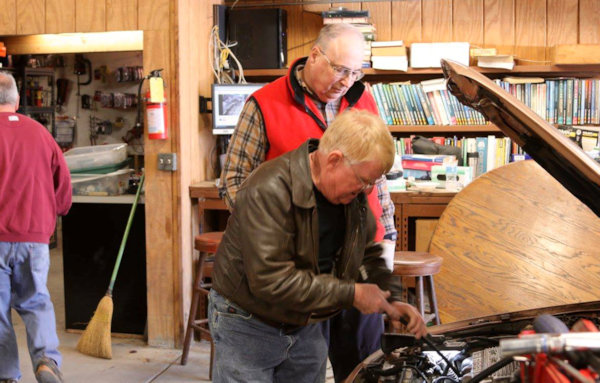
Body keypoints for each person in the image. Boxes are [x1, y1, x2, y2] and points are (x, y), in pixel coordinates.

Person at [219, 23, 398, 381]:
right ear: (315, 55)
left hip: (346, 256)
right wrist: (280, 232)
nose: (347, 80)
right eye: (340, 69)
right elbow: (235, 183)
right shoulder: (265, 104)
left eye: (355, 72)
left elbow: (374, 179)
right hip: (290, 265)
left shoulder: (362, 100)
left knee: (364, 362)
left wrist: (386, 237)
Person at [210, 109, 426, 383]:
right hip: (248, 320)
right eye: (363, 180)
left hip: (305, 321)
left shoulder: (350, 193)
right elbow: (271, 281)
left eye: (373, 182)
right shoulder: (268, 189)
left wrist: (392, 301)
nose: (368, 191)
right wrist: (352, 294)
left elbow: (365, 253)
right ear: (334, 160)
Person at [0, 71, 71, 383]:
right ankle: (45, 362)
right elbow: (63, 185)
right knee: (36, 300)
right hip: (35, 237)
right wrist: (54, 214)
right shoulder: (41, 133)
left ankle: (5, 375)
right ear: (17, 100)